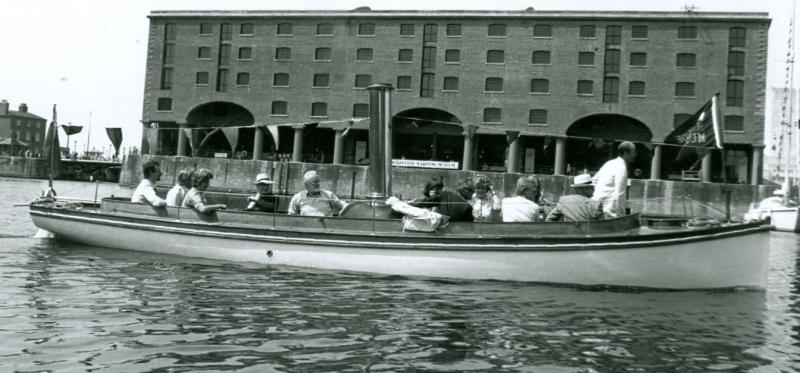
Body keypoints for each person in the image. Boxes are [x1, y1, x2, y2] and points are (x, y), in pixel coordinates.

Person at [592, 141, 637, 219]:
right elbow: (620, 194)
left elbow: (594, 180)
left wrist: (601, 194)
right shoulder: (622, 168)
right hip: (610, 211)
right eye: (634, 152)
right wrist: (622, 216)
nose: (635, 155)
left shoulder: (609, 163)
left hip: (595, 206)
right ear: (626, 153)